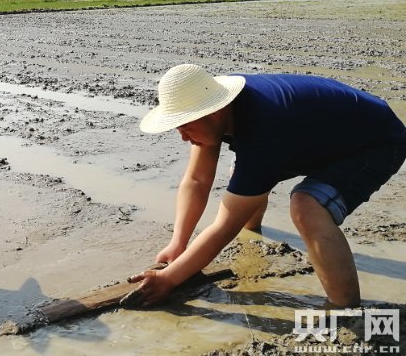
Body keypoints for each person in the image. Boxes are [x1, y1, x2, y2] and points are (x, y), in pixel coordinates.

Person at [129, 63, 406, 307]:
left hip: (377, 142)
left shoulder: (263, 128)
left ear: (213, 112)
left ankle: (343, 308)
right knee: (245, 176)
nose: (183, 138)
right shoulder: (216, 104)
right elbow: (197, 179)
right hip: (316, 137)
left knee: (306, 207)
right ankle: (254, 236)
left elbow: (226, 224)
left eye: (185, 127)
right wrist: (179, 243)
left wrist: (169, 278)